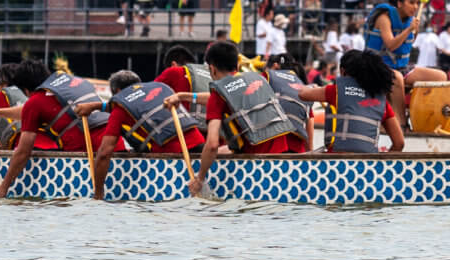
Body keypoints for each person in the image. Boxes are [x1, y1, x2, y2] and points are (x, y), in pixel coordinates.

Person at [164, 40, 300, 196]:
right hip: (284, 160)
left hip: (257, 168)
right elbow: (223, 98)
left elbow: (213, 144)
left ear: (212, 69)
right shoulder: (256, 79)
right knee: (224, 150)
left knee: (214, 151)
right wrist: (183, 97)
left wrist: (200, 179)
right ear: (236, 66)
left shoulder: (218, 96)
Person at [81, 69, 205, 199]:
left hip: (172, 163)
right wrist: (96, 106)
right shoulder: (160, 88)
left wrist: (98, 193)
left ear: (117, 92)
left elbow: (104, 153)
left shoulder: (119, 110)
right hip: (201, 147)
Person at [0, 68, 111, 197]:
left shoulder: (35, 102)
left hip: (83, 161)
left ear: (26, 91)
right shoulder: (69, 85)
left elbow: (23, 152)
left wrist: (3, 188)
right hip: (113, 147)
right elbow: (27, 112)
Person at [364, 0, 447, 122]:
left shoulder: (410, 20)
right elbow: (390, 45)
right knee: (397, 78)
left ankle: (426, 119)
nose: (415, 7)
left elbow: (408, 44)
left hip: (400, 67)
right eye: (411, 2)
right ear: (399, 3)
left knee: (441, 77)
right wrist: (409, 30)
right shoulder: (384, 18)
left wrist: (414, 31)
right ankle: (401, 123)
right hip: (376, 67)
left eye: (417, 3)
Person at [297, 48, 405, 153]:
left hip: (336, 163)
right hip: (369, 164)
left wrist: (312, 87)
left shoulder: (336, 91)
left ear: (342, 71)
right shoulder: (381, 100)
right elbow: (399, 143)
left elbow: (303, 94)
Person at [264, 55, 316, 151]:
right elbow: (310, 126)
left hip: (274, 148)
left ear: (275, 66)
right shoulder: (303, 89)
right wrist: (310, 153)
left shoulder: (268, 76)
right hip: (297, 150)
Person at [156, 45, 214, 118]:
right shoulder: (210, 74)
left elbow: (147, 92)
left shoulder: (174, 71)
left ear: (173, 64)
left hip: (185, 126)